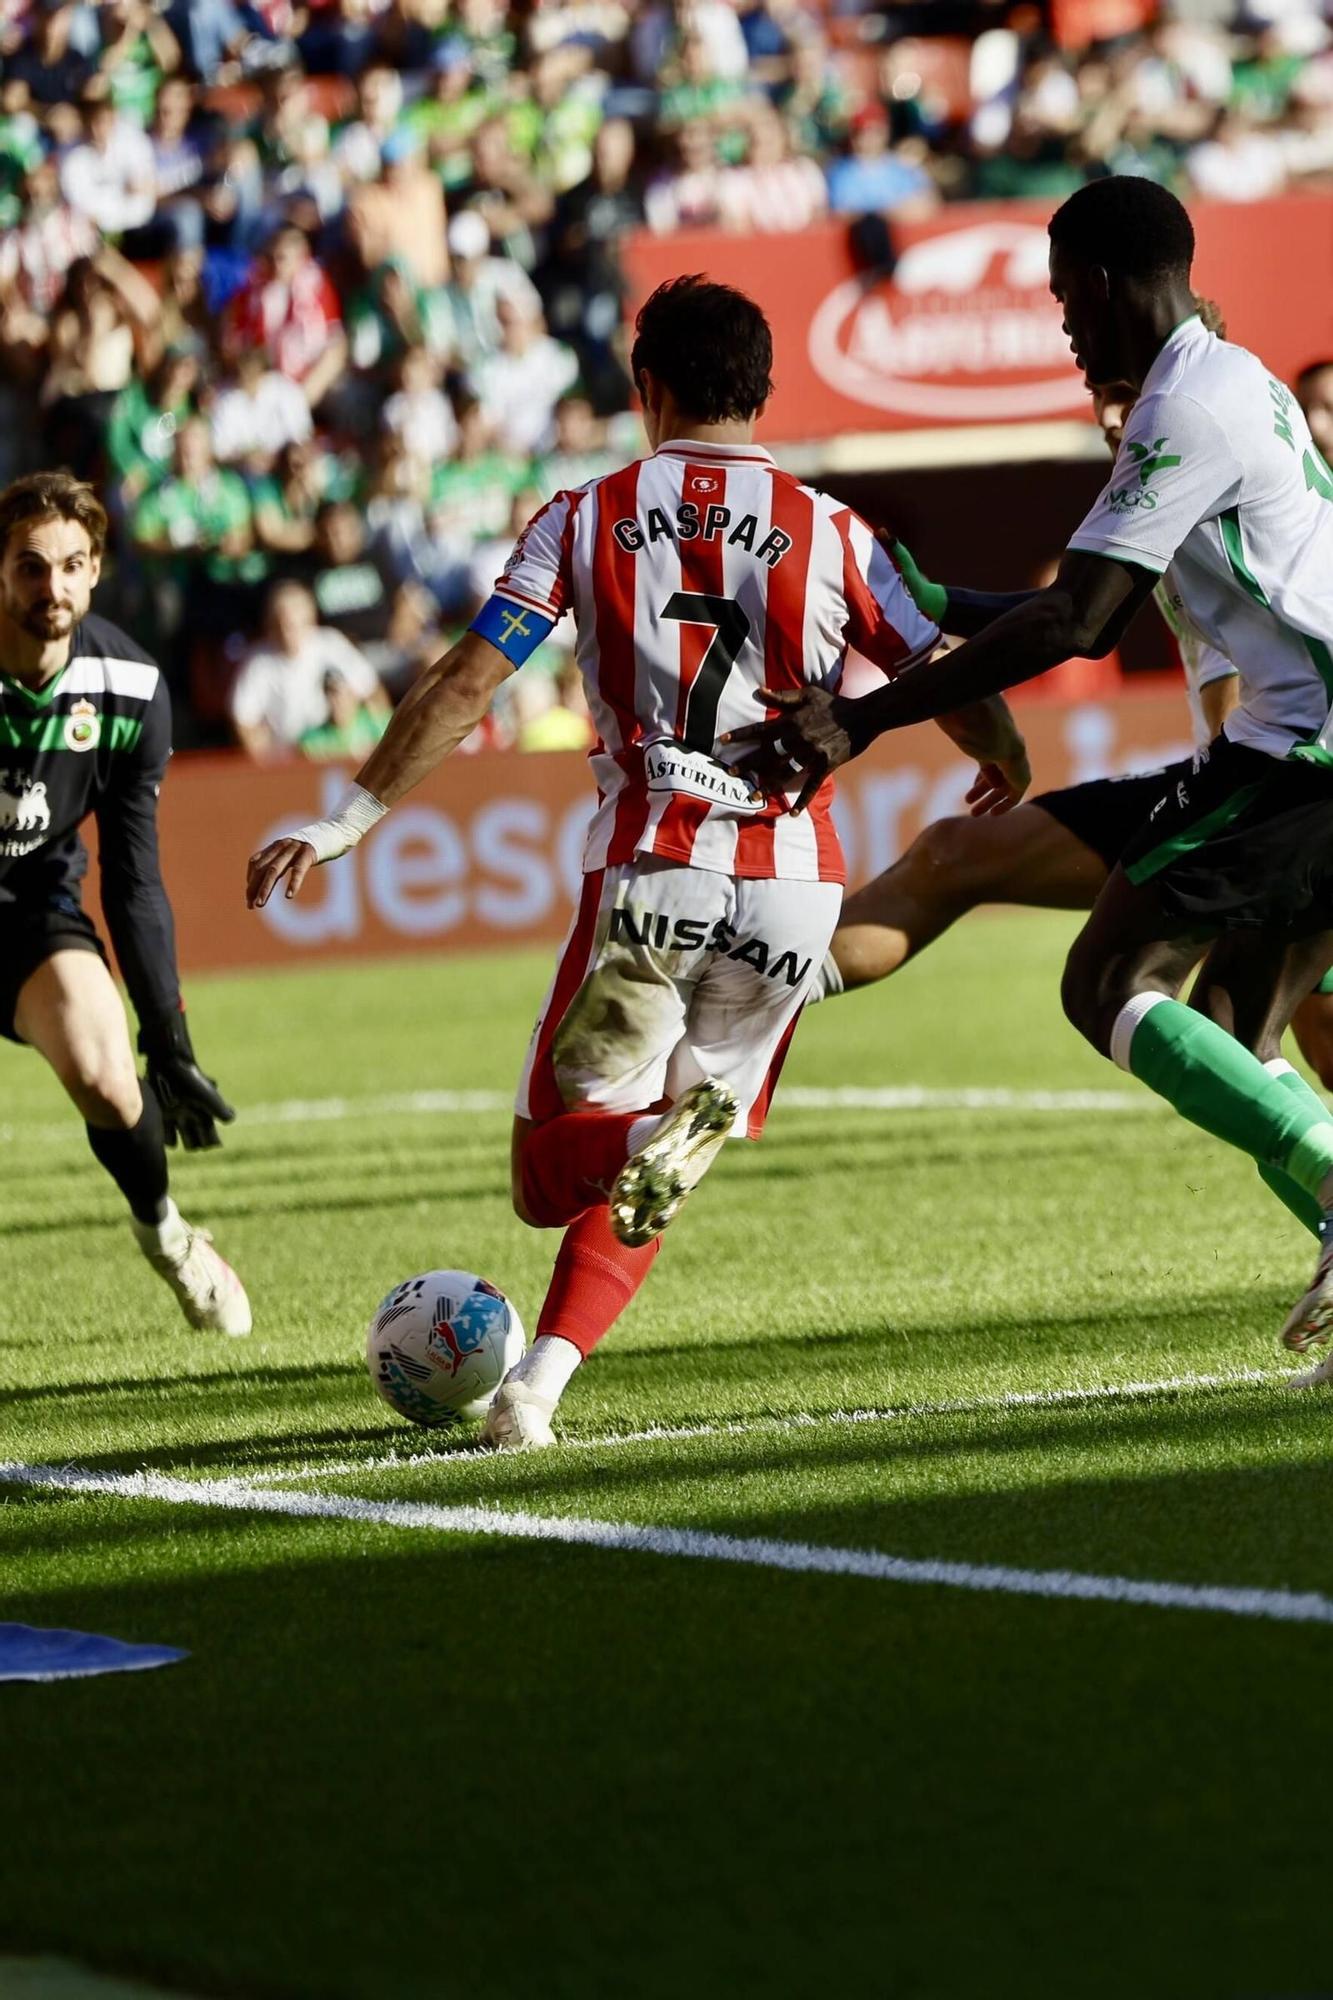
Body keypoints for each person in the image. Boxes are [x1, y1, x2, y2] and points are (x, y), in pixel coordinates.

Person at [246, 275, 1025, 1448]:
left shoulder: (587, 513)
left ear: (645, 388)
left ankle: (601, 1235)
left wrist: (345, 820)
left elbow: (469, 681)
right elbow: (944, 662)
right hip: (792, 889)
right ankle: (534, 1392)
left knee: (549, 1170)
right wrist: (1002, 752)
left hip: (654, 872)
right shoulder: (832, 530)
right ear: (760, 389)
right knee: (678, 1143)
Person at [728, 177, 1333, 1379]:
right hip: (1298, 746)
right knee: (1230, 1028)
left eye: (1063, 299)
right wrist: (940, 603)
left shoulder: (1186, 411)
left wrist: (862, 718)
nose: (1062, 324)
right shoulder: (1216, 381)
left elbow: (1078, 621)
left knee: (1109, 978)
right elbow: (1088, 599)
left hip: (1303, 752)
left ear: (1104, 287)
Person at [0, 471, 248, 1333]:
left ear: (97, 568)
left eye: (71, 565)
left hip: (31, 913)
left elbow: (134, 878)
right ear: (0, 572)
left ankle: (170, 1239)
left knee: (111, 1082)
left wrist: (168, 1039)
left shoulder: (130, 687)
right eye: (31, 566)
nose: (52, 587)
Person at [230, 579, 389, 757]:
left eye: (295, 624)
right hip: (286, 757)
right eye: (281, 625)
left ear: (311, 619)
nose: (288, 633)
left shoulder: (331, 645)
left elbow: (372, 691)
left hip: (339, 748)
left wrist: (379, 740)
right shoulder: (258, 663)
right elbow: (245, 722)